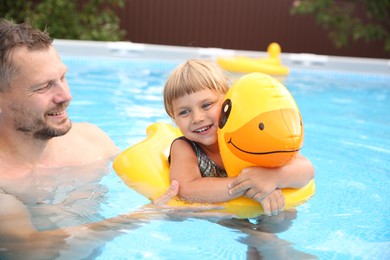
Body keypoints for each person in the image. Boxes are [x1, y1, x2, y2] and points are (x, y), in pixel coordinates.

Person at [0, 19, 182, 259]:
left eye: (63, 78)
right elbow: (34, 248)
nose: (66, 95)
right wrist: (145, 216)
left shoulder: (92, 142)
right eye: (43, 87)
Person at [163, 59, 315, 216]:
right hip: (223, 214)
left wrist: (272, 178)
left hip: (267, 208)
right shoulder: (184, 148)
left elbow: (307, 169)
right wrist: (249, 186)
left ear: (227, 101)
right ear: (174, 118)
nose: (197, 118)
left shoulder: (249, 136)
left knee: (285, 214)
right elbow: (187, 189)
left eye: (206, 105)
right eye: (184, 112)